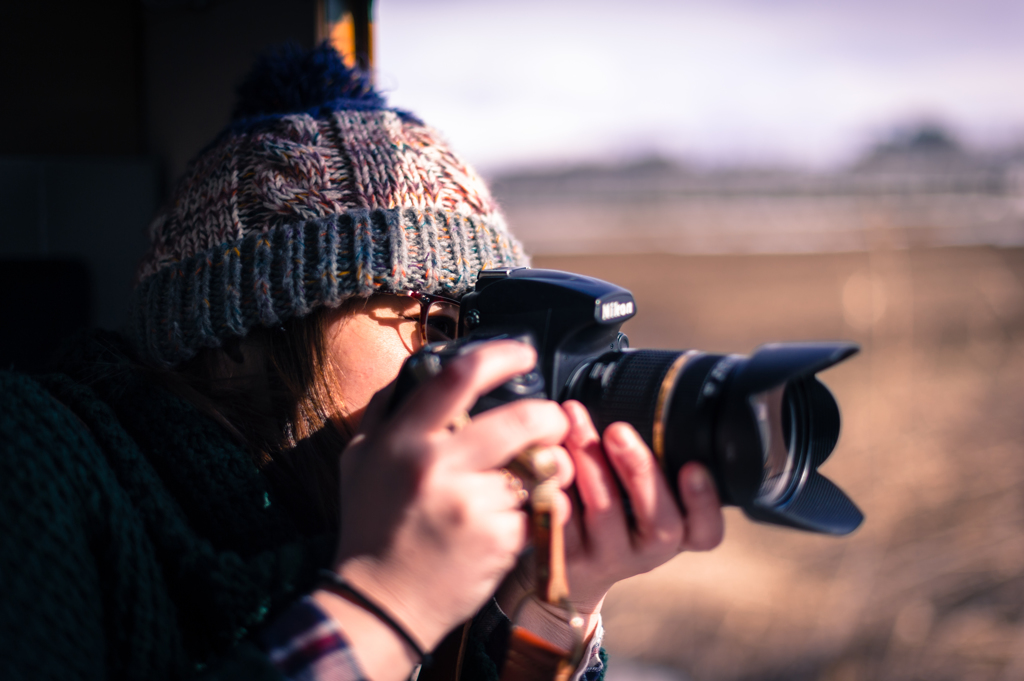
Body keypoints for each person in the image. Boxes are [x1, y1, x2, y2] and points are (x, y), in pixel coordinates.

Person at [0, 44, 724, 681]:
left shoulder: (386, 531)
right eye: (441, 324)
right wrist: (383, 605)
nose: (489, 371)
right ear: (233, 342)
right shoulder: (32, 460)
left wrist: (545, 613)